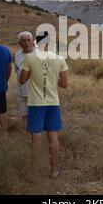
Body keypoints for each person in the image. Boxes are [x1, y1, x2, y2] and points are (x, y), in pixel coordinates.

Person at [20, 32, 68, 181]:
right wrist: (52, 81)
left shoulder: (30, 58)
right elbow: (65, 84)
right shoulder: (60, 59)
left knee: (37, 137)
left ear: (35, 42)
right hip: (53, 103)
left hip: (36, 103)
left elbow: (22, 80)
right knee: (53, 137)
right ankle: (54, 171)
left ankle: (34, 173)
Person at [14, 31, 36, 130]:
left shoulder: (39, 54)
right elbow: (17, 71)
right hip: (21, 92)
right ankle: (30, 138)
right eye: (23, 41)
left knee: (35, 117)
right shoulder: (17, 54)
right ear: (19, 43)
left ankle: (36, 139)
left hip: (35, 92)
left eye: (28, 40)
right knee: (25, 116)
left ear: (32, 41)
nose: (26, 43)